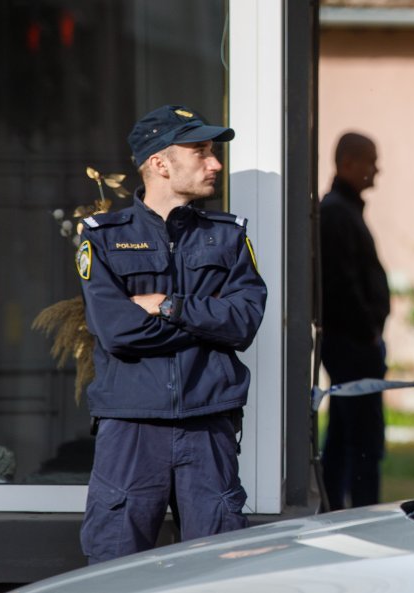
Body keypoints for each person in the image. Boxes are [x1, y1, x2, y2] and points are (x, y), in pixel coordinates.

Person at [77, 105, 267, 562]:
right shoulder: (102, 238)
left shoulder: (228, 236)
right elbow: (119, 332)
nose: (215, 162)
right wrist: (207, 324)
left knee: (218, 571)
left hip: (208, 425)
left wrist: (168, 306)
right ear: (160, 163)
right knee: (115, 569)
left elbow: (243, 322)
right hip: (131, 427)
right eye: (201, 151)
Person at [318, 132, 390, 509]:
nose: (376, 170)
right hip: (352, 345)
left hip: (356, 342)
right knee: (362, 441)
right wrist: (368, 333)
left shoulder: (344, 212)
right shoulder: (335, 214)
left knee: (347, 436)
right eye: (370, 161)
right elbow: (341, 287)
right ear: (348, 163)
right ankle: (362, 513)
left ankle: (338, 510)